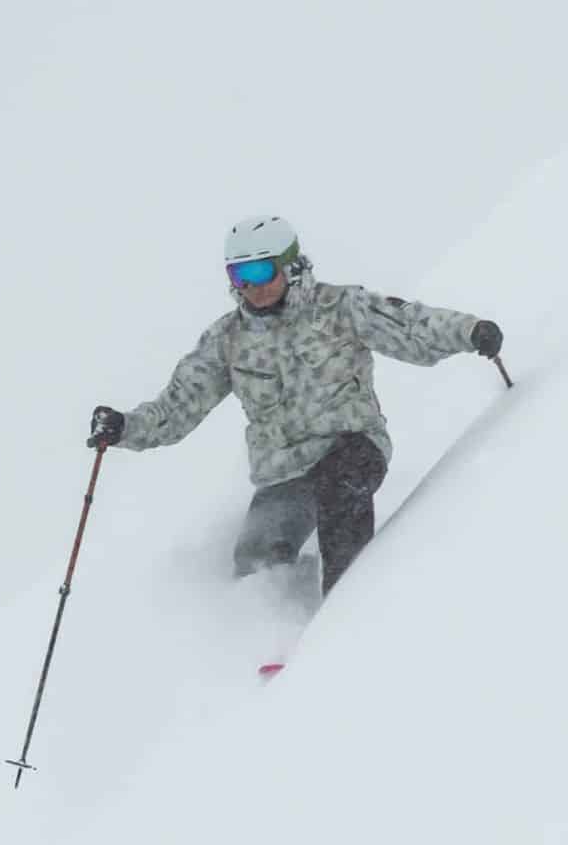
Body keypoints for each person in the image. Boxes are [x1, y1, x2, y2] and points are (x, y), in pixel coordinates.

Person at [87, 215, 503, 599]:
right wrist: (125, 427)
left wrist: (469, 332)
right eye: (238, 274)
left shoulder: (340, 307)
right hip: (285, 472)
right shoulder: (227, 339)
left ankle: (349, 612)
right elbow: (178, 408)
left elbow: (411, 327)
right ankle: (283, 637)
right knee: (256, 559)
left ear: (290, 266)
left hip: (352, 445)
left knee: (339, 491)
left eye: (260, 271)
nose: (251, 286)